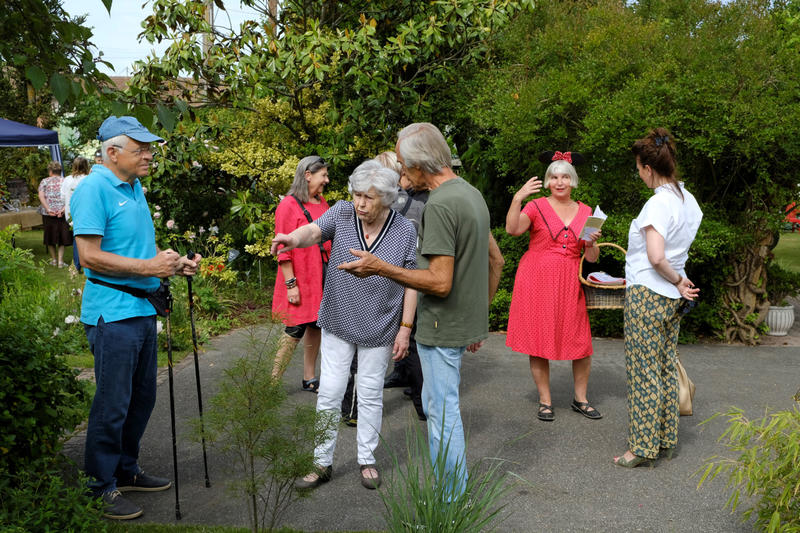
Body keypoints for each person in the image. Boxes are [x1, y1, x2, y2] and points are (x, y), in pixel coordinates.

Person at [339, 122, 505, 498]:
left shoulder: (440, 204)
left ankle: (449, 502)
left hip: (440, 327)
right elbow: (496, 261)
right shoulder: (472, 195)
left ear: (420, 165)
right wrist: (477, 319)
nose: (399, 174)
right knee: (436, 405)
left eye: (401, 165)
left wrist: (379, 266)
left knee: (443, 416)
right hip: (457, 325)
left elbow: (440, 281)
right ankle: (450, 495)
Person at [71, 116, 200, 519]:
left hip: (142, 309)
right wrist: (149, 270)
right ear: (113, 153)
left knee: (142, 399)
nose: (149, 155)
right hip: (113, 313)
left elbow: (141, 247)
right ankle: (99, 485)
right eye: (141, 148)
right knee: (113, 403)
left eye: (149, 147)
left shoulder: (134, 186)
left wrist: (174, 264)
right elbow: (88, 256)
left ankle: (125, 469)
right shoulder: (94, 188)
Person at [271, 159, 418, 491]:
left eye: (369, 197)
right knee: (331, 393)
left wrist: (406, 328)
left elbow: (412, 281)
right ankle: (321, 462)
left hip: (380, 326)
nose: (361, 204)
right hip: (337, 318)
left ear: (387, 197)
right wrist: (292, 239)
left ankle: (367, 459)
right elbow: (314, 230)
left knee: (369, 394)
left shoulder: (404, 230)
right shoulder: (341, 213)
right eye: (356, 195)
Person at [614, 128, 702, 468]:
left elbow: (655, 255)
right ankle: (665, 440)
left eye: (639, 168)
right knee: (665, 368)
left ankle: (641, 447)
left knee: (643, 371)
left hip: (649, 293)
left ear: (648, 167)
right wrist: (678, 282)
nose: (639, 174)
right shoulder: (687, 200)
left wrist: (678, 279)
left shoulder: (658, 203)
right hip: (669, 298)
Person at [504, 151, 602, 422]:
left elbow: (590, 257)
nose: (560, 182)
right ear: (547, 182)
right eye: (555, 177)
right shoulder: (535, 207)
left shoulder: (586, 212)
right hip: (537, 277)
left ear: (573, 181)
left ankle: (580, 399)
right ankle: (545, 400)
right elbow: (512, 230)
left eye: (565, 177)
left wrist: (592, 242)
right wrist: (517, 198)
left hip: (570, 277)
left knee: (580, 340)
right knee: (538, 339)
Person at [271, 156, 331, 391]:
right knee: (294, 329)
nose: (326, 180)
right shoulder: (288, 205)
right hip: (300, 277)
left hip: (320, 275)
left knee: (316, 326)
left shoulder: (321, 201)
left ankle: (309, 377)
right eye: (322, 175)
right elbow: (283, 251)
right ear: (308, 175)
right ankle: (273, 381)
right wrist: (291, 285)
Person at [38, 161, 71, 267]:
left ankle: (54, 260)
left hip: (49, 214)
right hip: (62, 213)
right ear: (60, 171)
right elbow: (70, 197)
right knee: (62, 236)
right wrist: (63, 209)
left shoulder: (44, 181)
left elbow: (41, 196)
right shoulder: (66, 181)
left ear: (50, 171)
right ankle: (61, 261)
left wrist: (48, 209)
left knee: (49, 236)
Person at [61, 156, 90, 271]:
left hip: (71, 213)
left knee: (76, 237)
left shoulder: (67, 180)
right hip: (86, 211)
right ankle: (85, 263)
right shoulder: (88, 179)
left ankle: (78, 264)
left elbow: (62, 196)